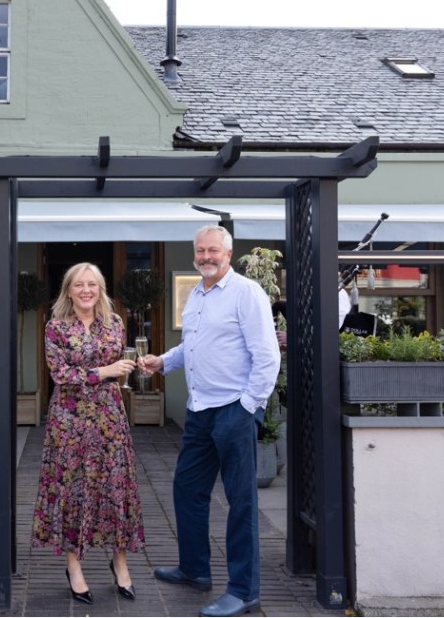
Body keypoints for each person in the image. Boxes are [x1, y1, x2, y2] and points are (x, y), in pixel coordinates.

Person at [139, 225, 281, 618]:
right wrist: (163, 362)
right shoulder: (197, 295)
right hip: (200, 410)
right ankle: (194, 568)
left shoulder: (246, 292)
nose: (206, 256)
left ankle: (243, 591)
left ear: (228, 253)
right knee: (187, 489)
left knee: (241, 503)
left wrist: (248, 406)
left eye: (213, 250)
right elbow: (194, 345)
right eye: (200, 250)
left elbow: (267, 355)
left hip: (233, 409)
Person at [31, 262, 144, 605]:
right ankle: (74, 565)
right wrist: (105, 370)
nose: (85, 291)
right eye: (79, 285)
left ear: (100, 289)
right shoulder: (56, 328)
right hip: (69, 420)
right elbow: (61, 374)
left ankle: (120, 562)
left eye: (92, 285)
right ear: (68, 290)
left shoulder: (115, 324)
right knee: (72, 488)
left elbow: (120, 366)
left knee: (115, 486)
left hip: (109, 417)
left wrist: (130, 367)